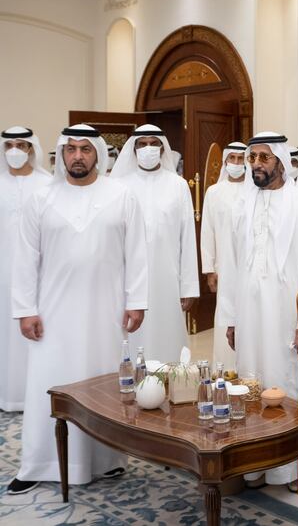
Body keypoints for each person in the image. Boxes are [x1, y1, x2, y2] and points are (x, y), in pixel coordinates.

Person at [8, 124, 147, 494]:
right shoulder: (42, 198)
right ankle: (39, 462)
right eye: (71, 149)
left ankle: (107, 461)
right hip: (52, 314)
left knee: (103, 385)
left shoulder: (121, 195)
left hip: (106, 312)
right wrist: (25, 309)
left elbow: (136, 253)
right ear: (61, 154)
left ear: (97, 153)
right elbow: (25, 259)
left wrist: (137, 301)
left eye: (86, 149)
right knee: (48, 385)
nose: (78, 156)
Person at [221, 132, 298, 488]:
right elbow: (233, 266)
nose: (256, 165)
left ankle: (297, 468)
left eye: (264, 158)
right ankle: (256, 464)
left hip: (291, 314)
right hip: (250, 316)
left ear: (281, 161)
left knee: (293, 387)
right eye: (252, 158)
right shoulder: (242, 205)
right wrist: (232, 318)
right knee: (253, 383)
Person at [111, 124, 198, 363]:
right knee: (130, 339)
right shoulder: (119, 186)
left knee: (167, 337)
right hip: (127, 278)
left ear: (162, 148)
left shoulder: (178, 184)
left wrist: (188, 286)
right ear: (134, 148)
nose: (148, 148)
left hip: (167, 277)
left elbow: (187, 236)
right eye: (142, 144)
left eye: (153, 143)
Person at [0, 126, 51, 412]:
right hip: (2, 274)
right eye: (10, 146)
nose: (16, 151)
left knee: (35, 333)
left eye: (22, 145)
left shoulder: (45, 186)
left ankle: (36, 395)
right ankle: (7, 394)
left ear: (32, 149)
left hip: (38, 276)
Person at [200, 141, 247, 370]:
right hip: (224, 266)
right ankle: (224, 369)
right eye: (232, 159)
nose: (236, 164)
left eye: (241, 159)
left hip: (248, 266)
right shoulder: (214, 192)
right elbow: (207, 230)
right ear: (226, 162)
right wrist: (209, 269)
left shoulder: (253, 190)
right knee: (225, 315)